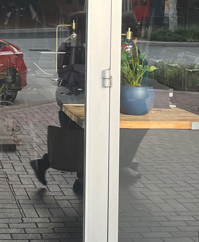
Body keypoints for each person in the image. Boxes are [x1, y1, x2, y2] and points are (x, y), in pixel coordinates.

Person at [30, 11, 141, 193]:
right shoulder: (75, 46)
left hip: (77, 94)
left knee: (79, 139)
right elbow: (70, 71)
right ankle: (79, 179)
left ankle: (66, 172)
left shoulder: (78, 44)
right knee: (79, 139)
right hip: (75, 96)